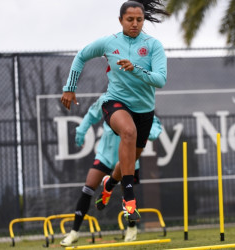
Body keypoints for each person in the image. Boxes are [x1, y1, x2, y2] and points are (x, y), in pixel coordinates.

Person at [60, 0, 168, 222]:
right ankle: (129, 200)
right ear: (120, 20)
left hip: (144, 111)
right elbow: (81, 56)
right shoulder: (110, 43)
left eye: (139, 19)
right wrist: (69, 88)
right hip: (114, 102)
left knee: (125, 162)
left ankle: (110, 184)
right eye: (130, 19)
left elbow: (161, 80)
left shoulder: (153, 45)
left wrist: (136, 69)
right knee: (128, 132)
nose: (135, 24)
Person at [60, 94, 163, 246]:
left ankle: (132, 229)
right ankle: (74, 232)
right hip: (106, 155)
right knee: (88, 188)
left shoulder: (140, 99)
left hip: (128, 158)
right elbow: (91, 114)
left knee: (128, 193)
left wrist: (150, 133)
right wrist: (81, 131)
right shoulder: (106, 99)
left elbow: (154, 124)